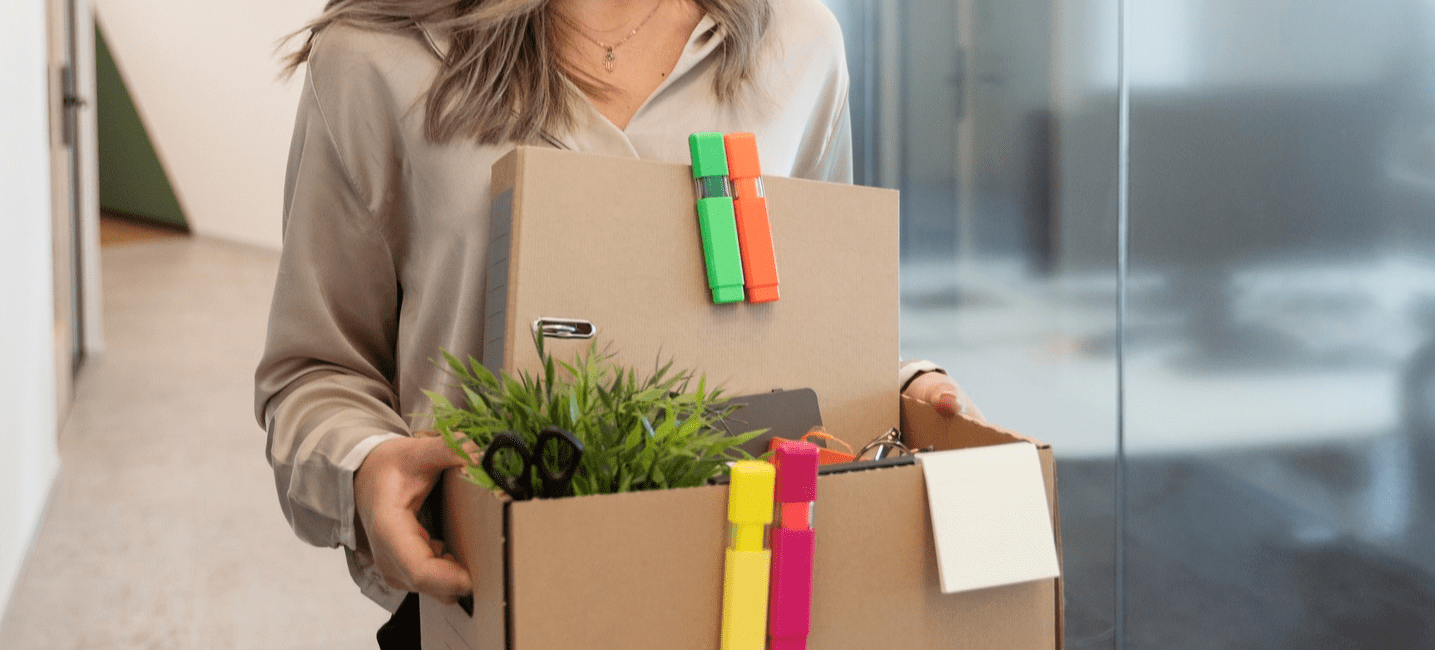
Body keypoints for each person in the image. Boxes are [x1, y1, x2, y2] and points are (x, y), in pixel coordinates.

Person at [253, 0, 982, 646]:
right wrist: (362, 468)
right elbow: (315, 373)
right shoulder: (374, 52)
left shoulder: (800, 40)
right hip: (490, 605)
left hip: (746, 599)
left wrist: (899, 386)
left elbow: (807, 333)